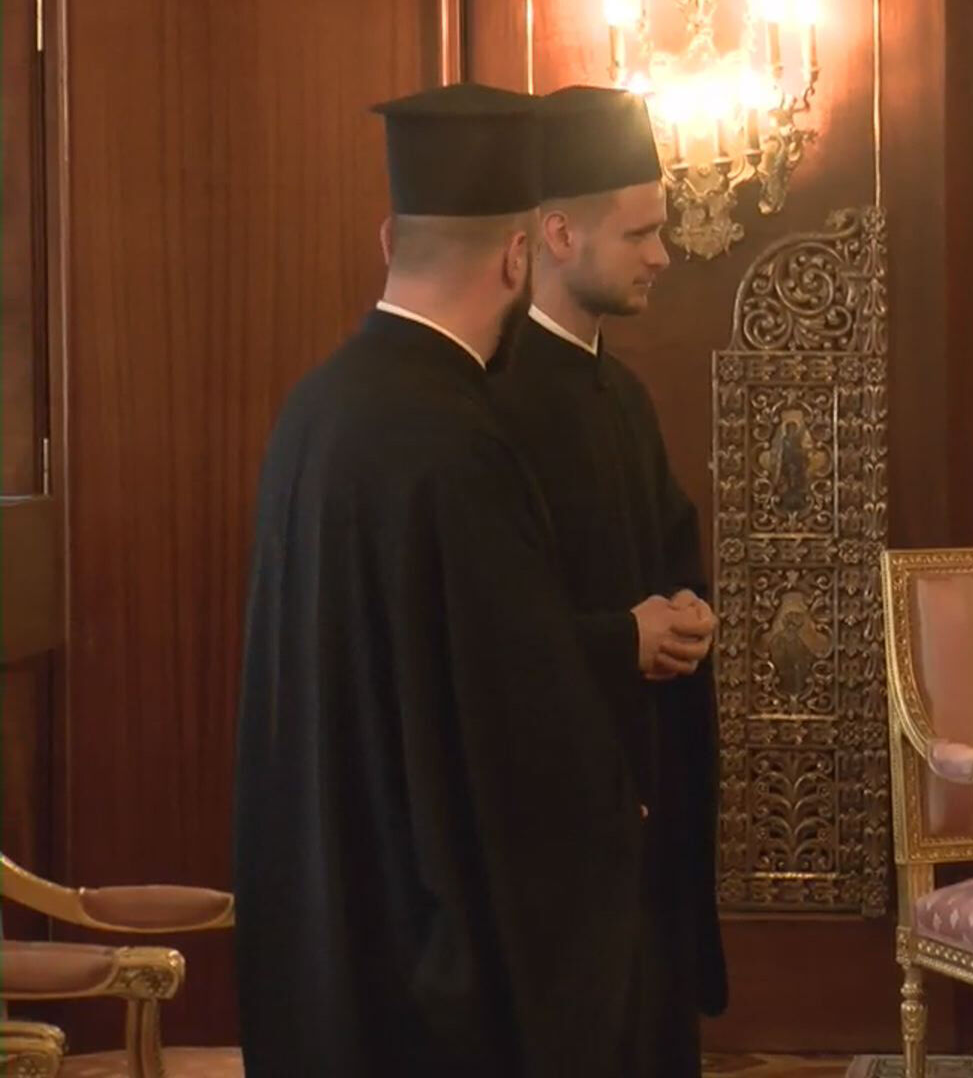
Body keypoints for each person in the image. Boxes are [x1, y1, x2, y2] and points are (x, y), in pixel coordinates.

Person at [233, 83, 652, 1077]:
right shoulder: (458, 443)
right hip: (424, 955)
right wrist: (612, 810)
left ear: (391, 239)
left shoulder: (314, 410)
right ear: (518, 257)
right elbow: (514, 708)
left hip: (326, 907)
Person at [488, 84, 726, 1076]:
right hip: (556, 825)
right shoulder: (491, 400)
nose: (662, 254)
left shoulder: (621, 392)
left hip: (649, 792)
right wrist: (623, 639)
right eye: (640, 233)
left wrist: (690, 616)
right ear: (557, 234)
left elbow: (666, 548)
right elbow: (492, 629)